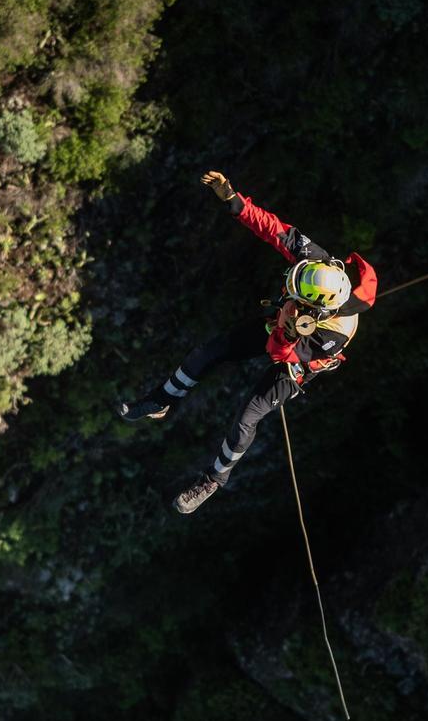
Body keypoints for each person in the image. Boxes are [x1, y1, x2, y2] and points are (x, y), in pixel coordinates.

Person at [118, 170, 377, 513]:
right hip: (283, 326)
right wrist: (234, 200)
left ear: (314, 308)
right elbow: (276, 231)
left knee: (247, 417)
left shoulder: (333, 333)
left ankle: (213, 480)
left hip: (297, 361)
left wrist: (286, 325)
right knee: (207, 353)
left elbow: (279, 354)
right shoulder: (320, 265)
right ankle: (160, 400)